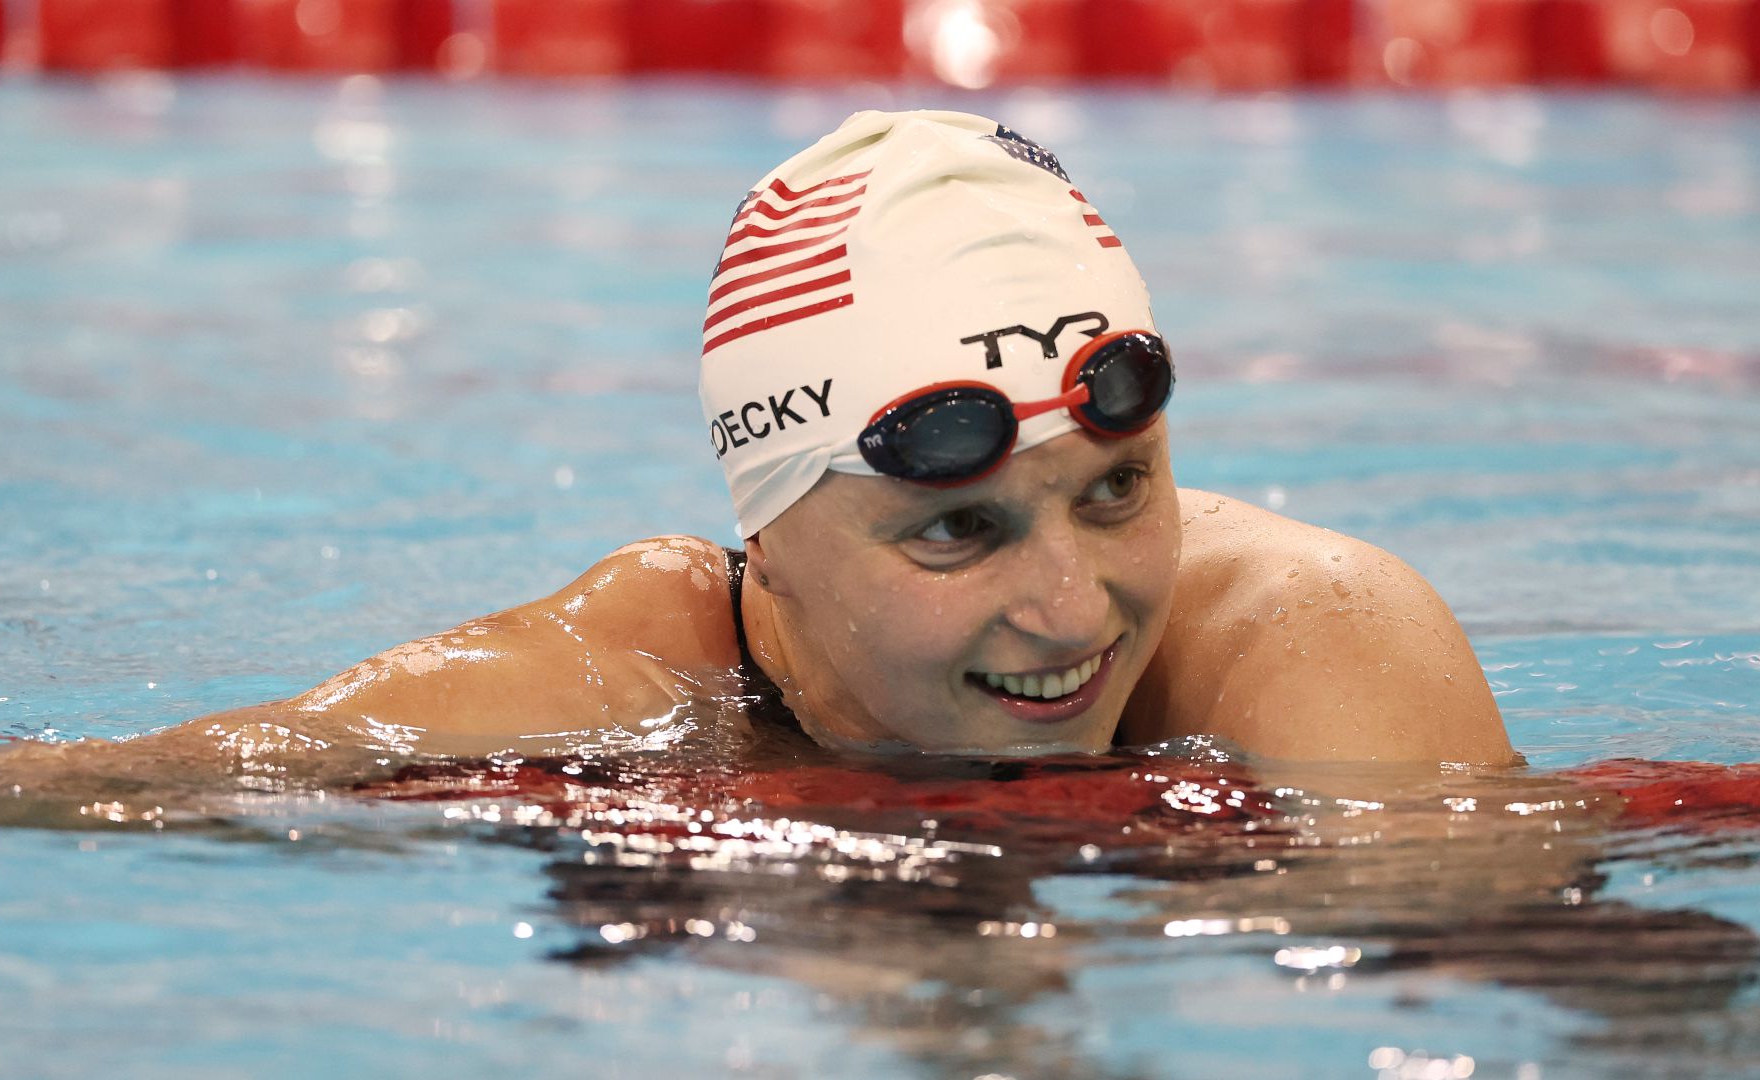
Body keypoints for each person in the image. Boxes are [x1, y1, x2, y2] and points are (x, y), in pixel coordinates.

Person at [173, 110, 1519, 766]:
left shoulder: (1312, 646)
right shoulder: (640, 677)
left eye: (1117, 491)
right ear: (769, 535)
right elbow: (128, 793)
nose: (1070, 614)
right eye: (957, 526)